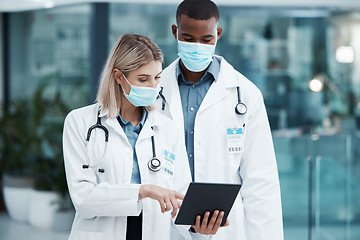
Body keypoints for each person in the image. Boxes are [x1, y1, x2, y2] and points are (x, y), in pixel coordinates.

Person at [156, 0, 284, 239]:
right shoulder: (155, 89)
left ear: (218, 33)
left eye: (206, 40)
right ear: (174, 32)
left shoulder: (245, 94)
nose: (197, 46)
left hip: (225, 227)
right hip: (165, 224)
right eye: (187, 37)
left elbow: (261, 182)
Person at [62, 33, 193, 240]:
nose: (153, 87)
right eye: (143, 79)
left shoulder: (167, 129)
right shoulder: (80, 122)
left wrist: (198, 227)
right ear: (118, 76)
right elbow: (83, 199)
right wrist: (144, 190)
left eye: (157, 78)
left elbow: (180, 197)